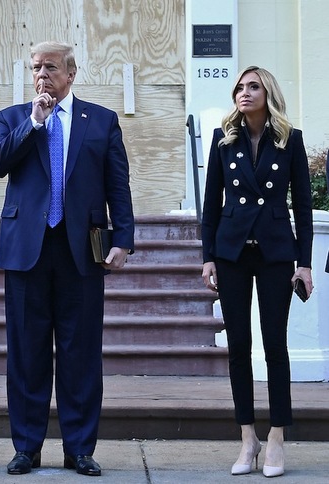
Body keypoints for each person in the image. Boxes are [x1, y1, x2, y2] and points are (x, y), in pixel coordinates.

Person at [0, 41, 135, 476]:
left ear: (71, 74)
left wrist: (122, 237)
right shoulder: (13, 118)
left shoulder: (101, 120)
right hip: (26, 251)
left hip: (81, 252)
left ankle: (80, 448)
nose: (42, 75)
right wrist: (34, 122)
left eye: (50, 67)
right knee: (27, 354)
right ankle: (27, 447)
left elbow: (117, 183)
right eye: (35, 68)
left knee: (81, 353)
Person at [201, 66, 313, 478]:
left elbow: (302, 205)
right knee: (238, 350)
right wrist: (207, 256)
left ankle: (277, 438)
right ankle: (247, 438)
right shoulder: (222, 139)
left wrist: (304, 264)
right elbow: (211, 204)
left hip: (275, 254)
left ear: (268, 92)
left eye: (253, 87)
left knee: (275, 347)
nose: (244, 93)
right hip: (231, 253)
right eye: (240, 88)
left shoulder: (290, 140)